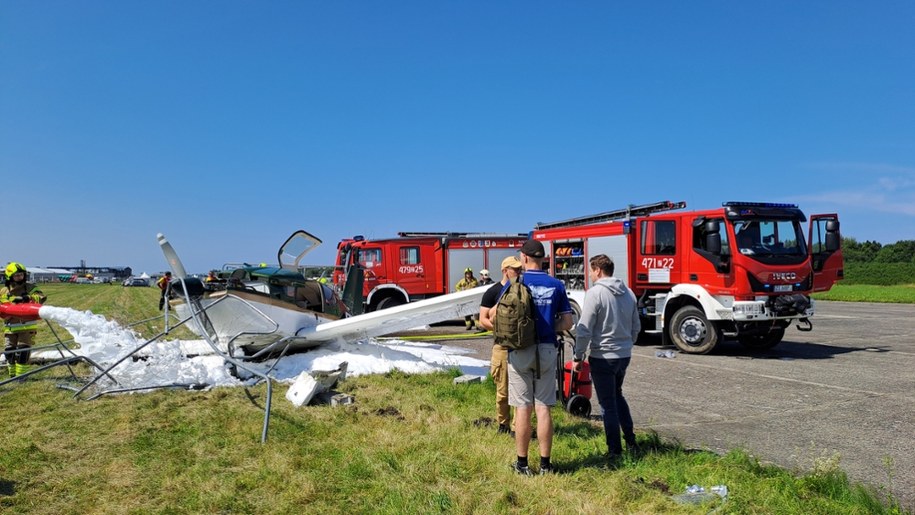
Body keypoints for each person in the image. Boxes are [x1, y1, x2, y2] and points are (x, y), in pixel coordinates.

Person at [502, 240, 573, 475]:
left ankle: (522, 464)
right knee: (543, 408)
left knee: (522, 408)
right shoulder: (556, 285)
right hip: (546, 349)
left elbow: (500, 317)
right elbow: (567, 322)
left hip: (520, 350)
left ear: (524, 258)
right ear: (543, 259)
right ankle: (545, 465)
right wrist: (548, 326)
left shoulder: (515, 283)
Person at [572, 254, 641, 461]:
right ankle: (631, 441)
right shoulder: (628, 292)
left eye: (591, 271)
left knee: (607, 404)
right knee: (618, 395)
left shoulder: (595, 293)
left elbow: (584, 329)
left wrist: (578, 355)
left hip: (603, 356)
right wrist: (626, 344)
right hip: (623, 354)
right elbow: (636, 326)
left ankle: (614, 451)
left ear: (598, 270)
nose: (590, 275)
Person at [478, 257, 523, 436]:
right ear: (505, 270)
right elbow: (482, 320)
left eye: (520, 269)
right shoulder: (492, 292)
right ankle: (503, 424)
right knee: (502, 390)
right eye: (515, 269)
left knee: (519, 390)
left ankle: (517, 428)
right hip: (501, 347)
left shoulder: (522, 290)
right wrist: (501, 330)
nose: (519, 272)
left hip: (519, 347)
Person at [1, 263, 47, 377]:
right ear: (10, 276)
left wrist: (27, 298)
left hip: (26, 326)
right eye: (17, 275)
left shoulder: (30, 287)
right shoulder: (3, 291)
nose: (20, 277)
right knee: (9, 352)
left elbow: (41, 297)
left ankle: (21, 377)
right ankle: (12, 375)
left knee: (23, 351)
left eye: (21, 275)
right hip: (10, 327)